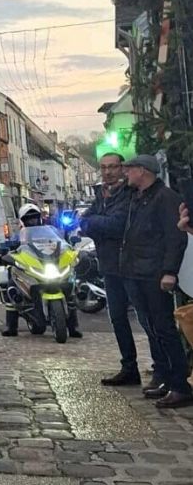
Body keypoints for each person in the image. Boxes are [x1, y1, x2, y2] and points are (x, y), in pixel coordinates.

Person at [80, 153, 160, 387]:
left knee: (147, 319)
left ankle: (160, 368)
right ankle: (129, 367)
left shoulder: (130, 194)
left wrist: (96, 223)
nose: (107, 172)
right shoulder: (101, 195)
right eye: (103, 168)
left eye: (113, 167)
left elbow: (117, 225)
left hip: (130, 265)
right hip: (110, 266)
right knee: (117, 319)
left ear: (122, 169)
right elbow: (84, 222)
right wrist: (96, 223)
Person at [120, 154, 193, 408]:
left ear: (143, 171)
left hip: (154, 274)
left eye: (130, 169)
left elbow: (176, 238)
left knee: (164, 329)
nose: (126, 173)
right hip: (137, 272)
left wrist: (169, 271)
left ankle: (180, 385)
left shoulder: (164, 198)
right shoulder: (140, 197)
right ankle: (165, 377)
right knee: (153, 328)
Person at [3, 203, 53, 336]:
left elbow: (59, 243)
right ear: (23, 220)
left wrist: (66, 245)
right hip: (27, 267)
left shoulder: (48, 231)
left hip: (46, 265)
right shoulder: (19, 234)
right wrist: (10, 250)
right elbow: (11, 248)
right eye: (29, 219)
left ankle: (73, 326)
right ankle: (11, 326)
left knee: (70, 285)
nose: (32, 221)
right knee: (11, 287)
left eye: (34, 218)